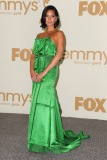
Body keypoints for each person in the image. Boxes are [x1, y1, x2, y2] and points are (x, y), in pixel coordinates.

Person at [28, 5, 90, 154]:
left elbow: (58, 55)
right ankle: (39, 136)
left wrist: (43, 73)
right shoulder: (38, 36)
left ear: (56, 18)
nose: (49, 19)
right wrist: (31, 71)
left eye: (52, 16)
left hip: (49, 70)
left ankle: (49, 138)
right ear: (43, 18)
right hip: (37, 70)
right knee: (38, 101)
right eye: (46, 16)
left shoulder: (59, 34)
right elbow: (33, 55)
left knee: (46, 101)